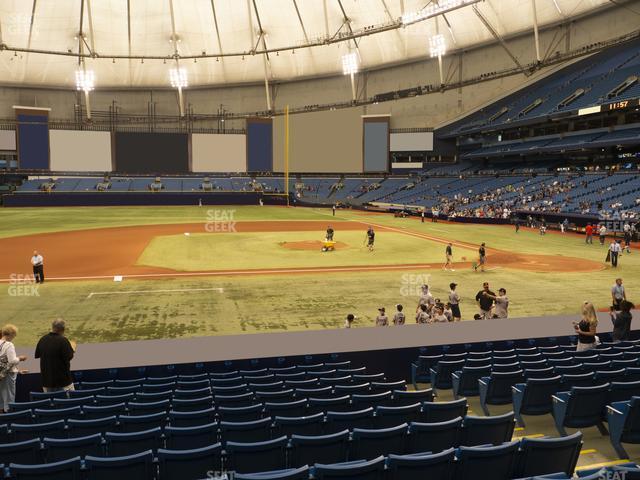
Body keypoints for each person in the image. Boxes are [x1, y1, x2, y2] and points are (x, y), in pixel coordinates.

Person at [34, 319, 76, 392]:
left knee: (51, 402)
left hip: (47, 381)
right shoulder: (63, 340)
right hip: (63, 382)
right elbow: (69, 356)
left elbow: (38, 354)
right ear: (63, 329)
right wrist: (72, 349)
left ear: (52, 327)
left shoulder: (42, 339)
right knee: (69, 402)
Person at [0, 325, 28, 413]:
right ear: (11, 334)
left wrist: (18, 371)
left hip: (1, 374)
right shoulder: (9, 345)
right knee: (9, 398)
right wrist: (20, 358)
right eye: (14, 335)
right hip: (7, 375)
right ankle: (10, 418)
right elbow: (12, 361)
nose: (14, 337)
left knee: (1, 399)